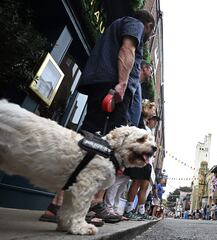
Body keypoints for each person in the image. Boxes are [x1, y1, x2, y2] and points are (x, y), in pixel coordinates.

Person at [39, 9, 156, 224]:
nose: (149, 35)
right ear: (147, 25)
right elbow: (127, 50)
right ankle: (85, 204)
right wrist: (121, 84)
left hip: (102, 85)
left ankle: (66, 204)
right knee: (103, 147)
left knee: (89, 143)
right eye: (152, 30)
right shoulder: (135, 24)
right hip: (113, 89)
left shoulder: (116, 25)